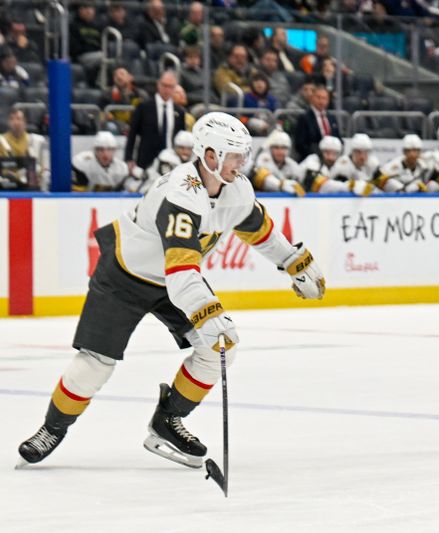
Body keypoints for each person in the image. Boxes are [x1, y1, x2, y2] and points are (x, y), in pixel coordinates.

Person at [18, 112, 326, 468]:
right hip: (125, 275)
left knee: (218, 349)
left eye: (244, 155)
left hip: (176, 279)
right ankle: (52, 428)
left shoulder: (236, 187)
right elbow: (180, 272)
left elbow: (258, 228)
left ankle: (167, 421)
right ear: (210, 155)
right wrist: (209, 311)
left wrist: (294, 261)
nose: (244, 163)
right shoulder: (180, 192)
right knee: (96, 363)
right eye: (236, 155)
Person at [125, 71, 186, 171]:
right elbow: (132, 134)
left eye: (170, 86)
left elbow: (181, 138)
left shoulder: (179, 112)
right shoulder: (143, 107)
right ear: (158, 85)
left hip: (171, 161)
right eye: (164, 85)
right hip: (146, 161)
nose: (167, 89)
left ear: (175, 88)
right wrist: (129, 158)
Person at [298, 135, 369, 195]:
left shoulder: (340, 164)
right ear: (321, 152)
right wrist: (349, 186)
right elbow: (317, 185)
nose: (330, 157)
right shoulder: (312, 161)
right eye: (327, 153)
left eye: (335, 154)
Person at [72, 132, 138, 192]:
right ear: (95, 150)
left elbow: (132, 193)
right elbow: (77, 195)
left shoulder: (122, 168)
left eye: (109, 149)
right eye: (101, 149)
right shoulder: (84, 164)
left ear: (114, 150)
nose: (105, 154)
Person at [0, 108, 49, 189]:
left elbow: (44, 168)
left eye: (19, 119)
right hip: (6, 183)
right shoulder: (1, 141)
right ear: (8, 122)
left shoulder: (36, 141)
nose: (15, 122)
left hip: (31, 183)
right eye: (12, 119)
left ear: (25, 122)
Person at [249, 130, 305, 195]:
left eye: (284, 148)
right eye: (276, 148)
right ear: (270, 149)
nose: (280, 151)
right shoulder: (263, 160)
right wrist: (282, 184)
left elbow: (301, 182)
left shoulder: (292, 164)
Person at [293, 85, 340, 161]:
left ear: (328, 100)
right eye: (318, 97)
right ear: (312, 98)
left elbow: (338, 139)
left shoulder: (332, 118)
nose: (321, 101)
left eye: (324, 98)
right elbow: (300, 144)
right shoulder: (304, 118)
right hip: (311, 160)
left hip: (332, 159)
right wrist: (319, 155)